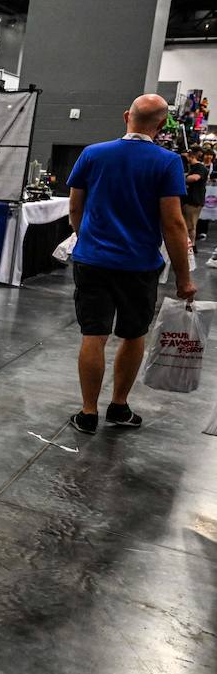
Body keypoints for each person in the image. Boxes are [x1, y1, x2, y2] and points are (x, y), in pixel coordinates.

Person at [66, 94, 195, 434]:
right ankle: (119, 406)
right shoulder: (167, 162)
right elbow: (173, 224)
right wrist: (184, 278)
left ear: (127, 116)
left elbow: (75, 209)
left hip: (92, 261)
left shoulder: (92, 154)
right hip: (139, 265)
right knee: (133, 334)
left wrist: (88, 239)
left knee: (93, 334)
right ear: (162, 125)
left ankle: (88, 412)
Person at [180, 147, 208, 250]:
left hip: (194, 201)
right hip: (188, 200)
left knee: (190, 225)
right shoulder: (191, 167)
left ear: (192, 156)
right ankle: (189, 244)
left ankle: (191, 246)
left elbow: (195, 178)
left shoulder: (199, 167)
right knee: (188, 224)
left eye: (187, 156)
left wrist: (180, 177)